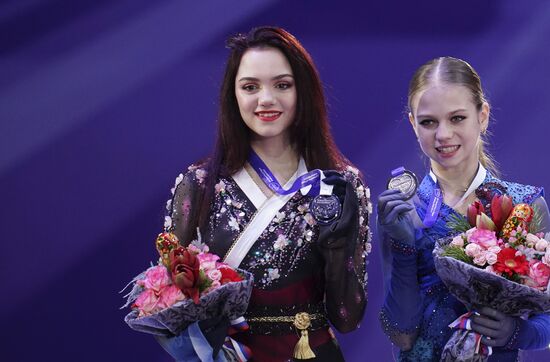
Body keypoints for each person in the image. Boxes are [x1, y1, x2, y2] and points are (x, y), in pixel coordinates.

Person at [162, 26, 372, 361]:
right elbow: (169, 304)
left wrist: (337, 249)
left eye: (282, 85)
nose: (266, 100)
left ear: (303, 91)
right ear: (233, 96)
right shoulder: (199, 185)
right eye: (250, 87)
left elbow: (347, 318)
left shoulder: (340, 185)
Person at [377, 56, 550, 361]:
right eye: (428, 121)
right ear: (412, 124)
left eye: (457, 118)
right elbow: (401, 334)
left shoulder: (525, 206)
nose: (443, 135)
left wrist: (519, 333)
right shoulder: (403, 210)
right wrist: (403, 247)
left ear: (482, 116)